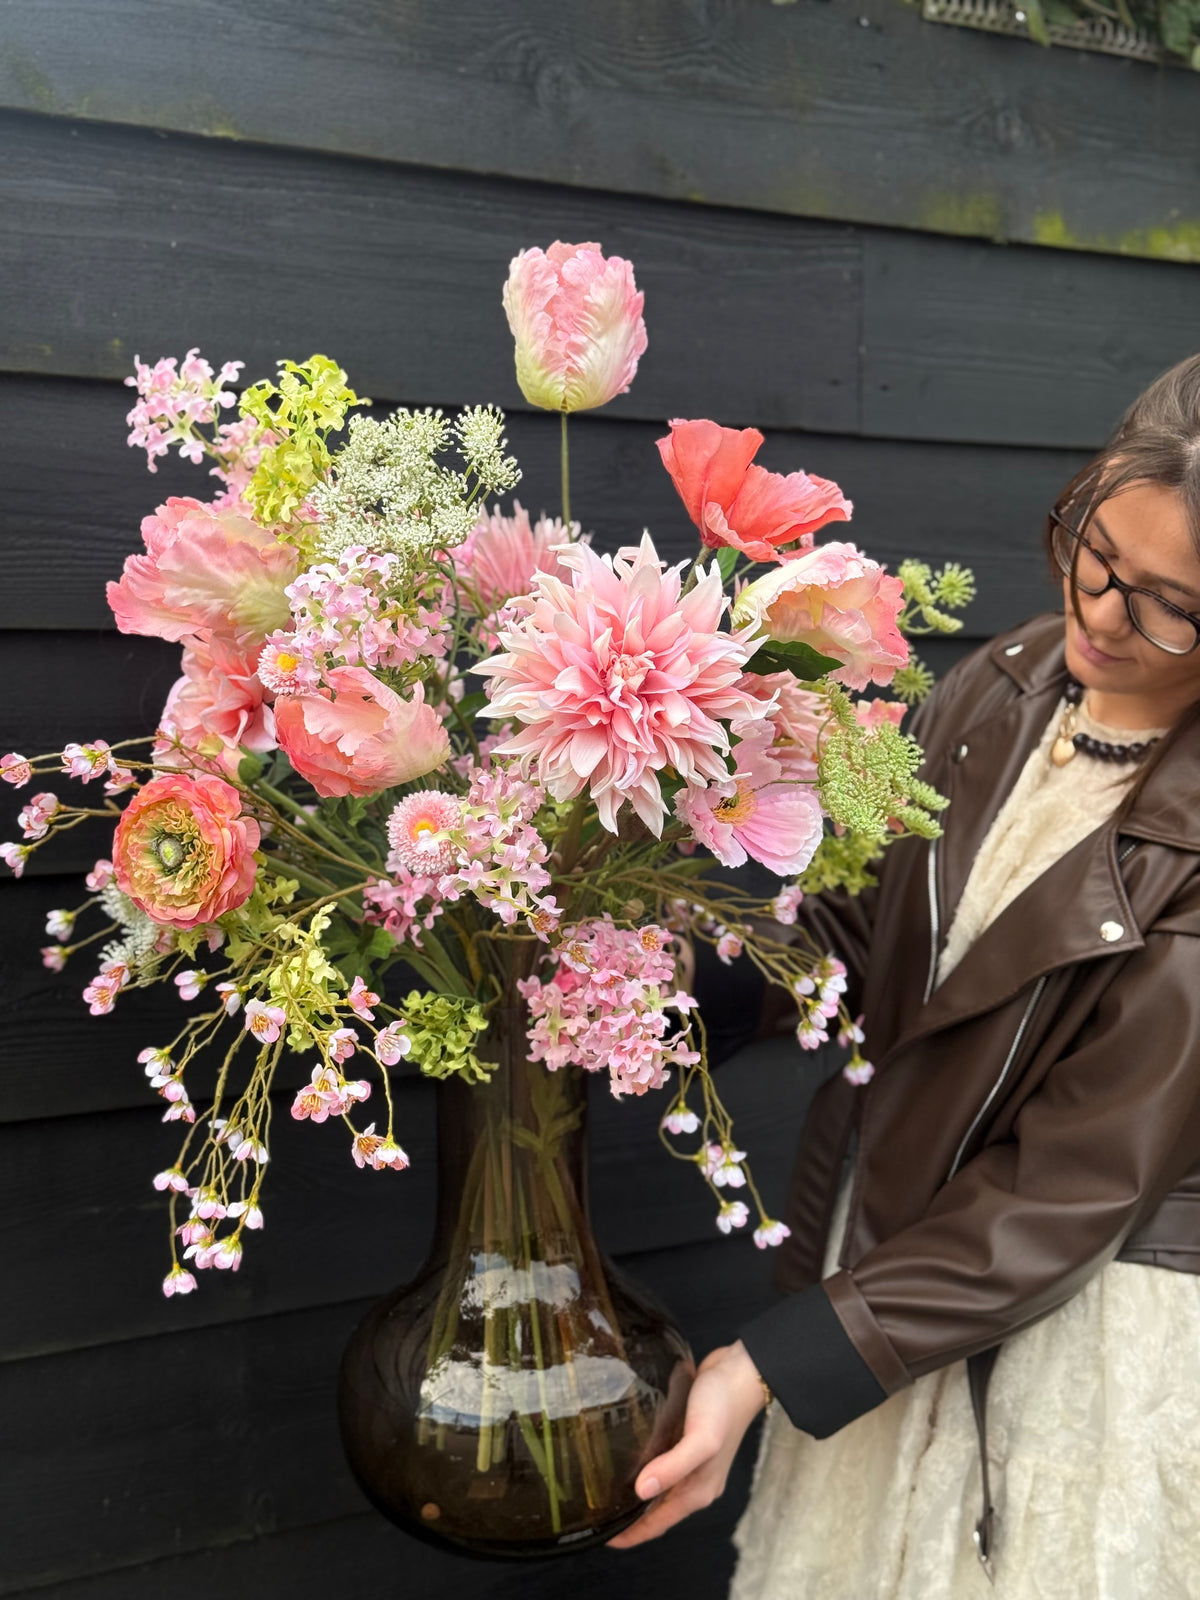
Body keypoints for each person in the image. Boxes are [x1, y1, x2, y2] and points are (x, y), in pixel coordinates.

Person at [608, 353, 1200, 1598]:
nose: (1099, 615)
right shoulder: (1004, 682)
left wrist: (773, 1362)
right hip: (888, 1270)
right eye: (1093, 552)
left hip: (1073, 1346)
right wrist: (631, 988)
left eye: (1164, 605)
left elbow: (1073, 1185)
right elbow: (858, 931)